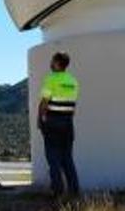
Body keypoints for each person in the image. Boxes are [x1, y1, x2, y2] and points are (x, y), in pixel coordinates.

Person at [37, 51, 80, 197]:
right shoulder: (73, 81)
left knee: (53, 158)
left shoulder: (51, 79)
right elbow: (73, 106)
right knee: (67, 158)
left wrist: (41, 120)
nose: (50, 63)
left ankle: (57, 191)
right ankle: (74, 191)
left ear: (56, 62)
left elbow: (44, 103)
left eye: (52, 60)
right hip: (68, 123)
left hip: (53, 123)